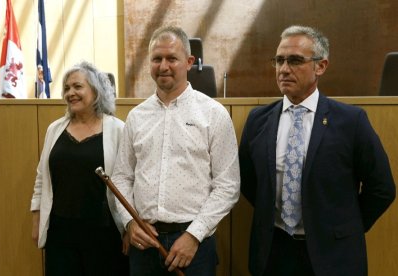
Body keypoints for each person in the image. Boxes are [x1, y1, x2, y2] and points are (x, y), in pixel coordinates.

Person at [239, 25, 396, 276]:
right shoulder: (259, 120)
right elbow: (248, 182)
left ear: (320, 66)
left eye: (295, 61)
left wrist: (346, 229)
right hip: (274, 253)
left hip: (334, 256)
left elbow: (382, 188)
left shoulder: (350, 121)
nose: (284, 69)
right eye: (279, 60)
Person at [112, 26, 240, 275]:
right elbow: (121, 177)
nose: (163, 66)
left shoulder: (213, 114)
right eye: (157, 59)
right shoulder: (137, 117)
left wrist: (194, 235)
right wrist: (129, 223)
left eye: (172, 58)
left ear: (189, 62)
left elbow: (228, 186)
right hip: (145, 243)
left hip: (195, 246)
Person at [30, 61, 130, 275]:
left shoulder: (118, 130)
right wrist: (37, 218)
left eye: (77, 86)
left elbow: (127, 182)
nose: (70, 93)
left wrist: (129, 228)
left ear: (96, 90)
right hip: (60, 233)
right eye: (66, 88)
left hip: (104, 234)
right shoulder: (54, 129)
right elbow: (42, 177)